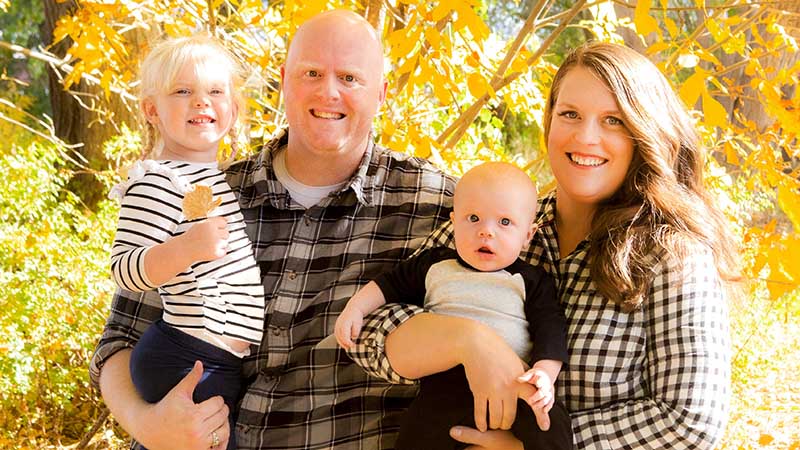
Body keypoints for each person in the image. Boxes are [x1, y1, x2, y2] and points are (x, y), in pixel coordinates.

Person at [91, 10, 457, 450]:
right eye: (312, 73)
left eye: (350, 78)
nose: (329, 91)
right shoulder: (205, 192)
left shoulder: (435, 204)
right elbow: (121, 337)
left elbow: (502, 315)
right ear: (284, 79)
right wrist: (146, 423)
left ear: (381, 93)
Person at [350, 41, 739, 450]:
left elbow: (690, 421)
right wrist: (468, 340)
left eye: (613, 120)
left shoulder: (673, 256)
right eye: (570, 114)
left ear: (644, 133)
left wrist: (533, 447)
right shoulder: (498, 224)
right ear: (549, 122)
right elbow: (369, 331)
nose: (586, 136)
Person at [334, 161, 573, 450]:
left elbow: (551, 328)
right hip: (444, 385)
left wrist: (544, 375)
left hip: (512, 383)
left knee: (551, 424)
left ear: (527, 236)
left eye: (505, 222)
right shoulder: (434, 264)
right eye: (473, 218)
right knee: (415, 436)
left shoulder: (530, 280)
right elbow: (389, 285)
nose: (486, 232)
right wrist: (356, 308)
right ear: (454, 221)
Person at [106, 34, 263, 450]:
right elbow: (124, 268)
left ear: (233, 106)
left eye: (215, 90)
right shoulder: (157, 180)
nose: (201, 101)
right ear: (152, 110)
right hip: (186, 357)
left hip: (218, 361)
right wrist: (185, 249)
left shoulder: (207, 181)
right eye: (183, 91)